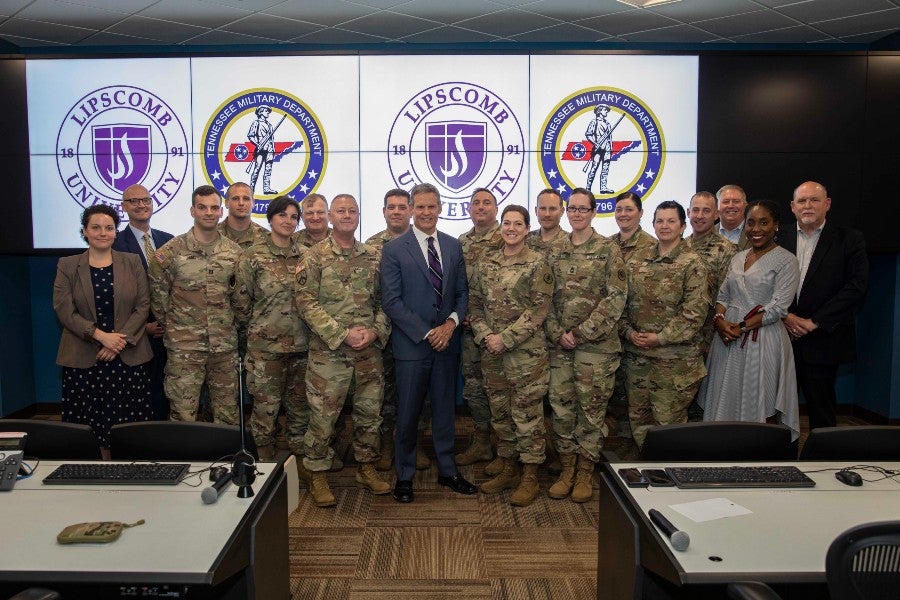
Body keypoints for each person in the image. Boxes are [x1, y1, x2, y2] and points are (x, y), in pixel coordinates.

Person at [380, 183, 476, 503]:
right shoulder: (394, 249)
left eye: (431, 206)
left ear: (440, 208)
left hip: (447, 343)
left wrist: (450, 324)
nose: (425, 213)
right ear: (410, 209)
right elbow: (392, 302)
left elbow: (462, 294)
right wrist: (426, 332)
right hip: (412, 346)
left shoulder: (452, 246)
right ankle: (404, 475)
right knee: (407, 415)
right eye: (419, 207)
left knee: (445, 411)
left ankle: (448, 470)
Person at [295, 193, 391, 507]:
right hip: (329, 354)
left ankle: (366, 467)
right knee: (323, 418)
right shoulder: (314, 256)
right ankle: (317, 474)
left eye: (352, 210)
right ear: (331, 217)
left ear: (359, 216)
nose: (347, 215)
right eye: (341, 211)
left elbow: (386, 302)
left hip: (368, 352)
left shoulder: (374, 255)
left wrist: (376, 330)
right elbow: (306, 303)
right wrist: (342, 334)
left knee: (369, 415)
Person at [469, 204, 554, 507]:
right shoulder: (486, 261)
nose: (512, 229)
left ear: (527, 228)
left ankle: (530, 475)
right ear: (500, 227)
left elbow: (539, 309)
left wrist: (505, 339)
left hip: (526, 355)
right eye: (507, 223)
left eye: (518, 224)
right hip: (492, 353)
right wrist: (485, 336)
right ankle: (508, 468)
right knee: (500, 413)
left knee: (528, 415)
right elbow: (475, 304)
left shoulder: (538, 262)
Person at [545, 189, 626, 503]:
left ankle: (585, 471)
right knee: (562, 409)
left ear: (594, 212)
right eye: (573, 208)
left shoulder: (608, 250)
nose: (577, 214)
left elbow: (615, 299)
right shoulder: (554, 251)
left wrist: (580, 333)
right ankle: (566, 468)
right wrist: (556, 332)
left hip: (596, 348)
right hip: (560, 347)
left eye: (583, 209)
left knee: (591, 412)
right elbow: (543, 299)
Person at [53, 204, 153, 458]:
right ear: (84, 231)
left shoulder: (131, 262)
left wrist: (117, 342)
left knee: (129, 425)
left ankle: (130, 474)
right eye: (95, 227)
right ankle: (94, 474)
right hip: (85, 357)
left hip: (127, 356)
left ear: (116, 232)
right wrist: (100, 336)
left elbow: (143, 306)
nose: (102, 233)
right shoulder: (68, 265)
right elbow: (64, 310)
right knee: (89, 423)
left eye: (109, 228)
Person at [699, 200, 801, 439]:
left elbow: (778, 308)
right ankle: (723, 448)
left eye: (764, 222)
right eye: (751, 223)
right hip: (726, 339)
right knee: (726, 394)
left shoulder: (787, 261)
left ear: (776, 226)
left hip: (762, 340)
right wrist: (720, 320)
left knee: (760, 398)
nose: (756, 229)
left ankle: (758, 449)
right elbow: (723, 294)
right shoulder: (738, 257)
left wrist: (740, 327)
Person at [149, 185, 250, 424]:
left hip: (224, 347)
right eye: (202, 207)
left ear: (221, 211)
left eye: (214, 207)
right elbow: (158, 294)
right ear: (192, 210)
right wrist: (175, 326)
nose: (208, 212)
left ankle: (224, 461)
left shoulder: (234, 253)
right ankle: (185, 460)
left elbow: (240, 299)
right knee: (183, 414)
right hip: (185, 347)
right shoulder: (170, 252)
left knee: (227, 415)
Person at [620, 201, 709, 448]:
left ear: (682, 226)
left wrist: (660, 338)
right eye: (660, 221)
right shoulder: (636, 262)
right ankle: (648, 473)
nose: (665, 226)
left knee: (668, 425)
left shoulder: (693, 264)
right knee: (639, 421)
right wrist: (628, 332)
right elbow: (620, 304)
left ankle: (670, 479)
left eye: (671, 221)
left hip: (675, 363)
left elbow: (694, 314)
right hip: (638, 358)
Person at [781, 181, 868, 430]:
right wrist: (786, 316)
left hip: (823, 338)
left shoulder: (849, 239)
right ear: (793, 206)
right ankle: (779, 463)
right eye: (802, 201)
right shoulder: (778, 237)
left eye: (814, 200)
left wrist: (813, 321)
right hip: (781, 335)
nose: (807, 206)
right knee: (778, 411)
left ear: (827, 204)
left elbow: (856, 287)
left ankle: (824, 463)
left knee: (822, 411)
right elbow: (763, 284)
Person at [237, 196, 309, 462]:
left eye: (293, 217)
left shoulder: (306, 256)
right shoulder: (252, 256)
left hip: (302, 346)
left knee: (300, 408)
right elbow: (241, 301)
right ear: (270, 218)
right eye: (282, 215)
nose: (288, 221)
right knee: (265, 410)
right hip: (265, 349)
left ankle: (300, 463)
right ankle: (264, 461)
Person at [365, 188, 431, 472]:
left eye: (402, 207)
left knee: (419, 393)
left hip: (414, 332)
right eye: (390, 207)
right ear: (383, 211)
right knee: (385, 393)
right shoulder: (370, 247)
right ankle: (387, 446)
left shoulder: (427, 244)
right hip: (382, 333)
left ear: (412, 210)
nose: (396, 212)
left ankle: (414, 445)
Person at [112, 183, 174, 420]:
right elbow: (115, 296)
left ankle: (160, 442)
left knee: (163, 394)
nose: (141, 205)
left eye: (145, 200)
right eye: (134, 201)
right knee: (135, 396)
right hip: (135, 334)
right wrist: (141, 327)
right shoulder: (115, 243)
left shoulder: (169, 240)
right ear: (123, 207)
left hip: (167, 333)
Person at [455, 188, 503, 469]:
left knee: (501, 390)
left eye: (487, 202)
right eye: (476, 203)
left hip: (500, 334)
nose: (481, 207)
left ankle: (506, 448)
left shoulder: (508, 236)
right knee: (474, 388)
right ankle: (482, 442)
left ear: (496, 209)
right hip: (470, 333)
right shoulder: (461, 242)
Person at [686, 191, 738, 355]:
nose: (699, 215)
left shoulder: (726, 249)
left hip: (708, 339)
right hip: (680, 337)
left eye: (706, 211)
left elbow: (728, 295)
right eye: (695, 210)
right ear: (688, 212)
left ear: (716, 214)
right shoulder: (680, 245)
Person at [218, 181, 268, 249]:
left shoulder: (267, 238)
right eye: (235, 198)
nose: (241, 203)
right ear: (227, 203)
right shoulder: (212, 234)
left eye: (246, 199)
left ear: (253, 203)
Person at [610, 191, 656, 262]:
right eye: (618, 210)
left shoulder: (653, 246)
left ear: (640, 213)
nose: (623, 214)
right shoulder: (606, 244)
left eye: (629, 210)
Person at [248, 105, 278, 195]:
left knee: (268, 169)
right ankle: (251, 190)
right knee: (257, 169)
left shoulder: (270, 125)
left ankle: (266, 188)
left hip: (269, 149)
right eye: (266, 111)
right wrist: (258, 144)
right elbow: (250, 136)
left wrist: (272, 148)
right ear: (261, 112)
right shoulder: (256, 123)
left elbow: (272, 139)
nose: (268, 113)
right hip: (261, 149)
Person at [585, 104, 614, 194]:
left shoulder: (608, 124)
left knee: (605, 168)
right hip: (598, 149)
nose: (606, 112)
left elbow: (610, 138)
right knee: (594, 168)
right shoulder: (594, 122)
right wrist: (595, 143)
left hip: (607, 149)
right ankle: (588, 188)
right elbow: (588, 134)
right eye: (605, 110)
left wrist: (611, 148)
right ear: (600, 111)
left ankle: (603, 187)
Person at [717, 184, 750, 250]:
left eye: (736, 201)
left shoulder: (755, 232)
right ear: (717, 206)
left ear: (745, 206)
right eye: (726, 202)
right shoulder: (706, 233)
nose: (731, 206)